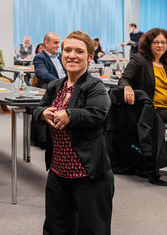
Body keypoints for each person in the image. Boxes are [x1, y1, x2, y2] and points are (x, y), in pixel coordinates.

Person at [33, 30, 114, 235]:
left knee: (92, 229)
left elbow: (98, 112)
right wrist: (43, 113)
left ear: (89, 57)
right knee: (56, 227)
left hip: (88, 172)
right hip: (58, 171)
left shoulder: (95, 85)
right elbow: (38, 108)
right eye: (67, 50)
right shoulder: (55, 85)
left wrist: (69, 115)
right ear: (61, 54)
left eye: (79, 51)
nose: (72, 55)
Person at [119, 28, 167, 162]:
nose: (160, 45)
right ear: (149, 44)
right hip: (149, 109)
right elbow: (124, 79)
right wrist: (127, 87)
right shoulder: (139, 59)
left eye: (163, 42)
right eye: (156, 42)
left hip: (166, 108)